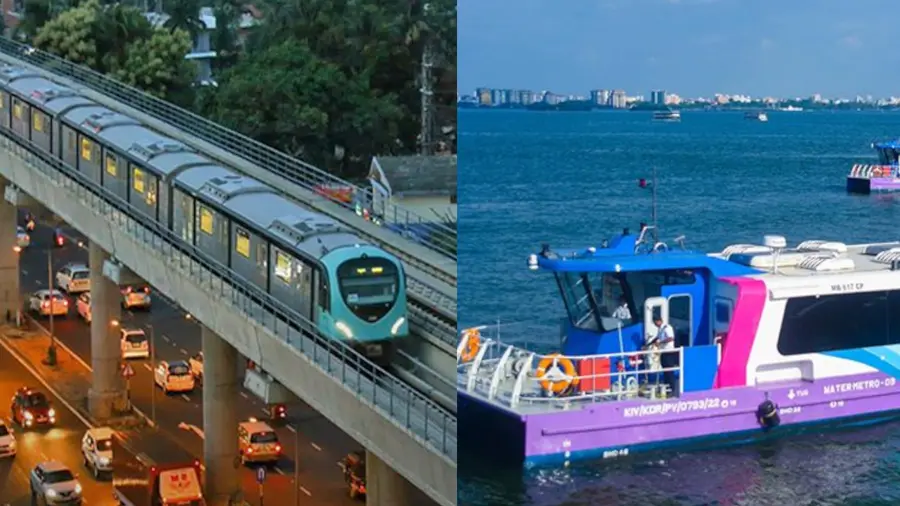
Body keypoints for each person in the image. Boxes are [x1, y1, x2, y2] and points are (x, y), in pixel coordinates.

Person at [646, 316, 678, 397]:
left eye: (655, 322)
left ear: (659, 321)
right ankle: (667, 389)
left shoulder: (667, 327)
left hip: (669, 352)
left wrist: (660, 343)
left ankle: (672, 389)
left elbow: (670, 338)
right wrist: (648, 345)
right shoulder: (660, 329)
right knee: (665, 371)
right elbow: (657, 338)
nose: (655, 324)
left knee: (669, 371)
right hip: (663, 352)